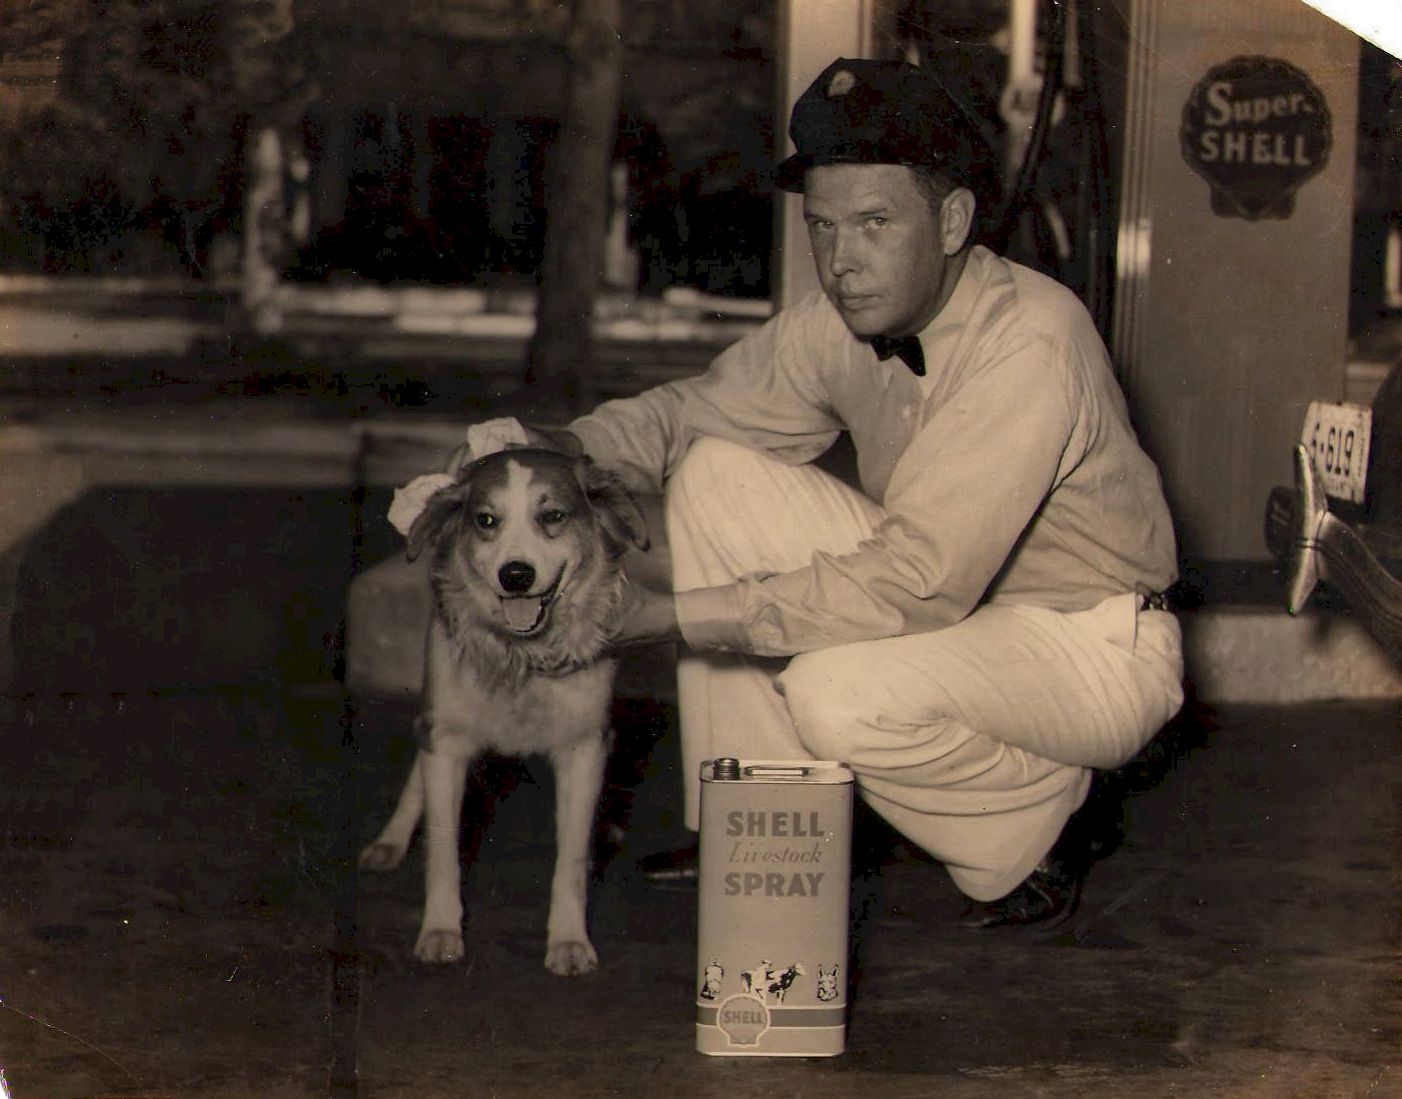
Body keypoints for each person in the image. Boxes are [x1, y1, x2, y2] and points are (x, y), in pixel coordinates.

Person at [462, 57, 1184, 928]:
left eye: (875, 222)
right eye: (824, 226)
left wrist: (672, 615)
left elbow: (915, 580)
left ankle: (1044, 817)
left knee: (833, 693)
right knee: (718, 471)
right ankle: (764, 827)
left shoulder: (1030, 341)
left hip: (1087, 639)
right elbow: (695, 414)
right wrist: (563, 449)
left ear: (953, 221)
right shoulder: (844, 320)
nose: (842, 261)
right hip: (964, 608)